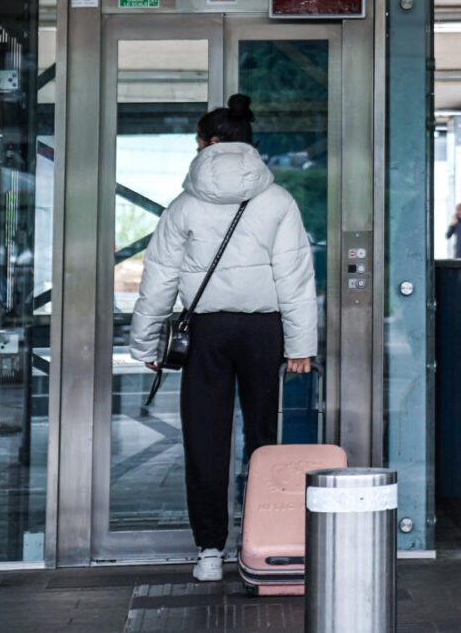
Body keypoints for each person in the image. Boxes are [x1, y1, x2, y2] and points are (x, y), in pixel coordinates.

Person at [129, 94, 318, 583]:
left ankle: (209, 551)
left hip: (206, 333)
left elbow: (159, 279)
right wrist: (300, 346)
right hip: (264, 330)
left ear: (209, 143)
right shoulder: (278, 200)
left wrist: (147, 343)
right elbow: (295, 277)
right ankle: (266, 539)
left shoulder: (185, 204)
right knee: (264, 442)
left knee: (205, 440)